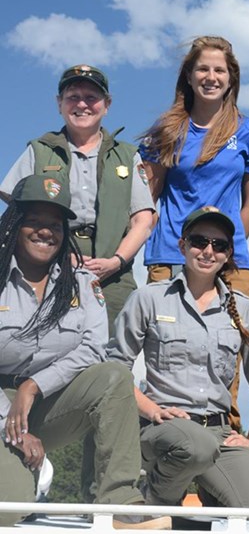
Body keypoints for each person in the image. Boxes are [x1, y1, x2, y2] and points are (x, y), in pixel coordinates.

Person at [0, 175, 167, 529]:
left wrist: (32, 387)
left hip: (46, 403)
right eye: (35, 221)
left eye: (55, 225)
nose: (45, 232)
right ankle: (31, 478)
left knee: (114, 377)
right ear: (14, 223)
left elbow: (93, 349)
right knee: (8, 512)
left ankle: (119, 503)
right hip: (2, 407)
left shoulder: (80, 281)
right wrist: (10, 422)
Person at [105, 207, 249, 511]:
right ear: (182, 245)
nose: (208, 251)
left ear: (229, 253)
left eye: (219, 245)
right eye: (199, 241)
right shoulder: (149, 298)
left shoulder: (246, 310)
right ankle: (156, 500)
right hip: (161, 426)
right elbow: (115, 368)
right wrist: (151, 410)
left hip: (219, 433)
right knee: (194, 447)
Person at [0, 64, 155, 336]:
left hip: (112, 275)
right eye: (73, 96)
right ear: (59, 103)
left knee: (111, 356)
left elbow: (143, 220)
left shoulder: (128, 156)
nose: (82, 104)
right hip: (48, 270)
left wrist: (116, 261)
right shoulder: (40, 150)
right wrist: (57, 255)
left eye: (91, 98)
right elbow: (15, 209)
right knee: (44, 346)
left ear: (106, 105)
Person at [139, 36, 249, 297]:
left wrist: (223, 247)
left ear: (231, 78)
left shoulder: (248, 131)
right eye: (203, 69)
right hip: (171, 255)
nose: (211, 77)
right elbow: (146, 200)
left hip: (231, 262)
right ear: (188, 76)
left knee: (234, 336)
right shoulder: (167, 130)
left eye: (219, 70)